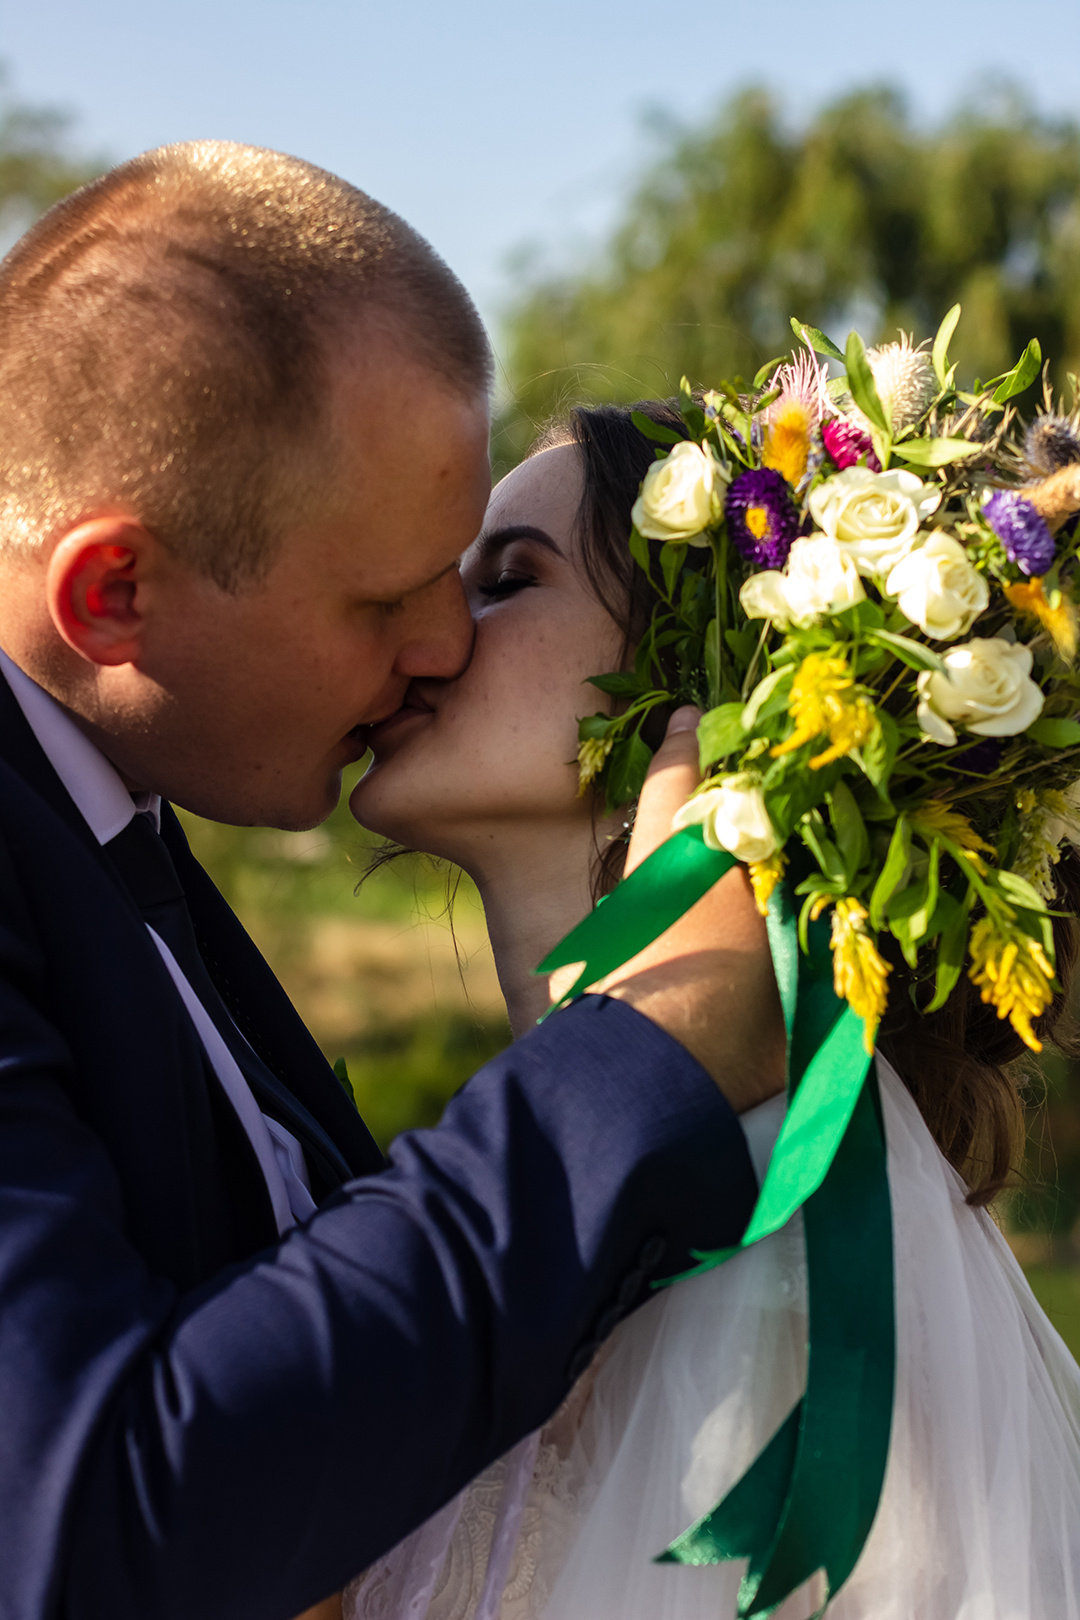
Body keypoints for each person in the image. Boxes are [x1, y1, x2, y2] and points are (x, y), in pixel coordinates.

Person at [0, 146, 780, 1620]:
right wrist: (642, 1054)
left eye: (483, 573)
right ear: (114, 595)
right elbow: (80, 1520)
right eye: (388, 597)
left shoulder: (124, 840)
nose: (443, 645)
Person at [345, 402, 1080, 1619]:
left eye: (505, 580)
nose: (424, 629)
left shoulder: (796, 1236)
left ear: (713, 684)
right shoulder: (494, 1183)